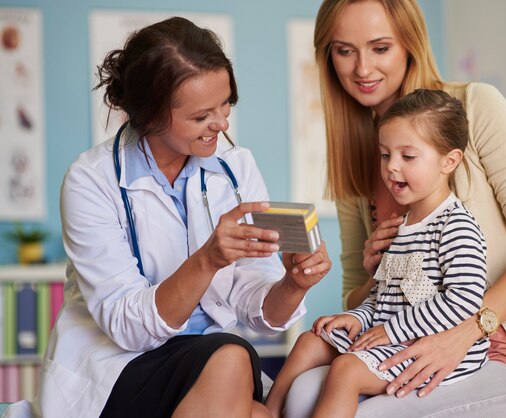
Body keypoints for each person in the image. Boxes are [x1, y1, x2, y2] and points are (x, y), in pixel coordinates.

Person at [4, 17, 330, 418]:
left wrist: (292, 285)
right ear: (150, 114)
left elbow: (257, 309)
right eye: (201, 116)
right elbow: (127, 327)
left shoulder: (236, 167)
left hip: (208, 364)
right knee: (231, 358)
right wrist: (207, 260)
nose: (222, 124)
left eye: (226, 104)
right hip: (120, 367)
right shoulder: (91, 180)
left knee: (244, 384)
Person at [283, 1, 506, 417]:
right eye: (344, 50)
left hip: (502, 348)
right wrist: (376, 271)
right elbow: (362, 295)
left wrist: (464, 333)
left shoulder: (475, 106)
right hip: (406, 340)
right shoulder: (359, 160)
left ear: (409, 45)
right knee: (302, 394)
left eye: (380, 47)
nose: (362, 68)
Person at [266, 89, 489, 418]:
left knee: (347, 369)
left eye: (407, 157)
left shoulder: (456, 227)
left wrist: (390, 331)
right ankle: (267, 412)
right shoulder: (400, 226)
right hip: (394, 335)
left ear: (449, 161)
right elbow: (385, 296)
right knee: (311, 341)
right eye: (385, 155)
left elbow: (464, 300)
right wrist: (357, 318)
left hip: (432, 346)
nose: (391, 167)